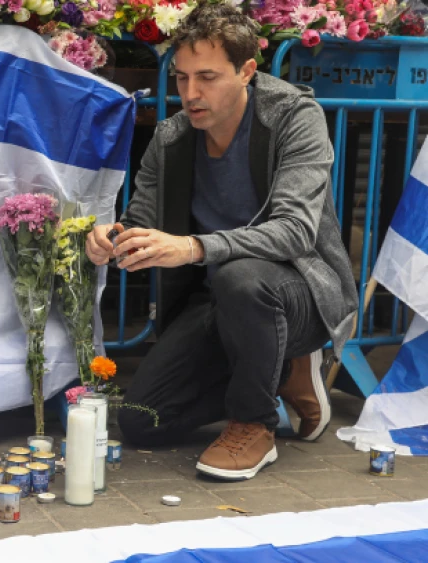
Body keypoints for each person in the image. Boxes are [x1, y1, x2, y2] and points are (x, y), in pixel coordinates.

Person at [84, 4, 358, 481]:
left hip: (295, 292)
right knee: (141, 422)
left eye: (207, 77)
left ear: (247, 71)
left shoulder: (295, 117)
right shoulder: (171, 136)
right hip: (220, 299)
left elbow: (295, 231)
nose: (191, 94)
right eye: (183, 78)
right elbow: (142, 219)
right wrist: (112, 238)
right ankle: (278, 373)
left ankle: (254, 424)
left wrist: (192, 247)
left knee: (241, 278)